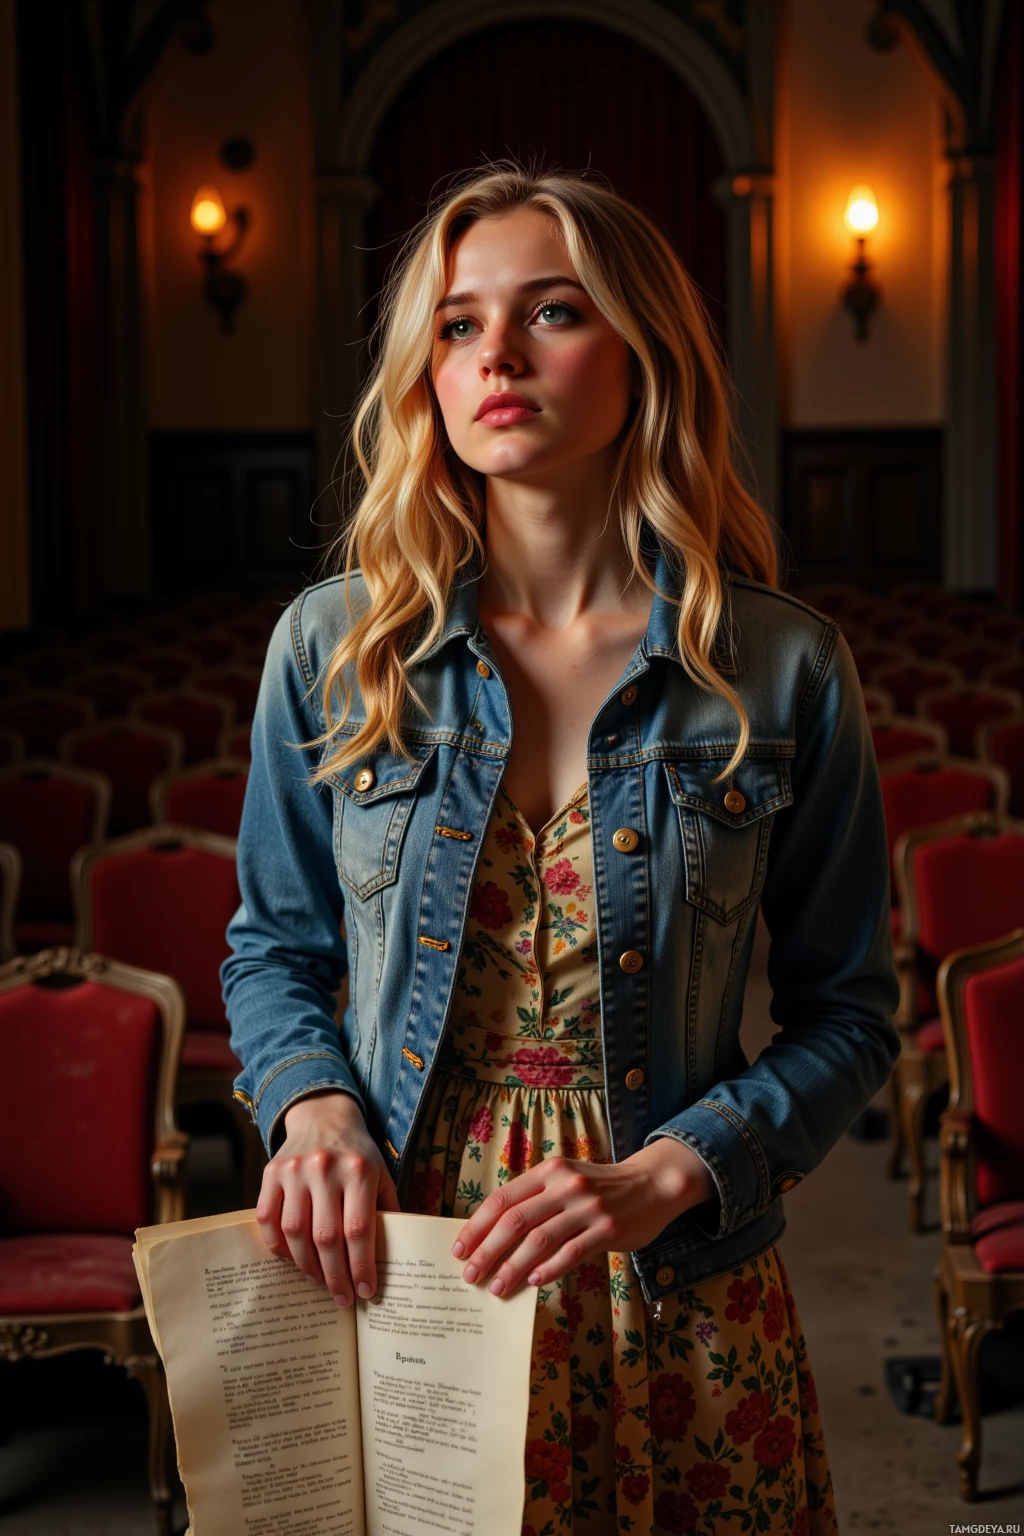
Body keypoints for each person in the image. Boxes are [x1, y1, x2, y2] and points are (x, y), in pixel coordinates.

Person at [222, 162, 900, 1535]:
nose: (498, 358)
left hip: (678, 1265)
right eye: (461, 325)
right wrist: (315, 1109)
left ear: (644, 352)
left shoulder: (778, 670)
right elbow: (274, 949)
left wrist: (684, 1165)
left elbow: (854, 1016)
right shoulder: (335, 652)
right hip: (409, 1258)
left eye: (552, 312)